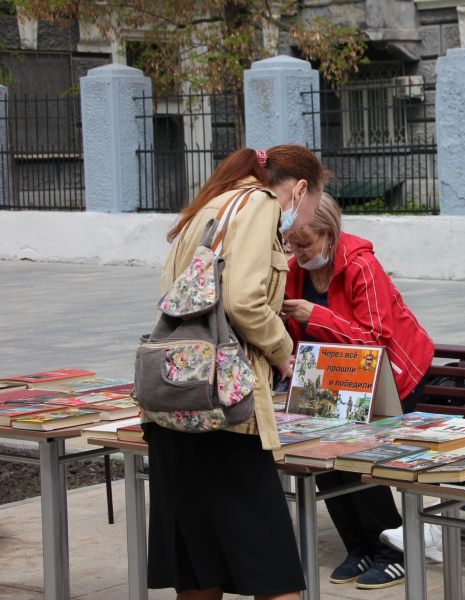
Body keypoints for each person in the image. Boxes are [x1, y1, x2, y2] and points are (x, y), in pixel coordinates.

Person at [144, 145, 327, 600]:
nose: (302, 222)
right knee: (274, 571)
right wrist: (283, 350)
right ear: (300, 189)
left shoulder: (212, 204)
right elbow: (243, 301)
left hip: (178, 399)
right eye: (312, 207)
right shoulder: (260, 204)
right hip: (226, 409)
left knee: (199, 569)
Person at [280, 193, 435, 590]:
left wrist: (316, 315)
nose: (297, 253)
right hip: (333, 377)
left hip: (392, 374)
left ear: (329, 235)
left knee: (358, 454)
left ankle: (393, 548)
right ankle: (358, 546)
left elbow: (375, 340)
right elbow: (296, 338)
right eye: (291, 244)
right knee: (319, 456)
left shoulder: (362, 266)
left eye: (304, 244)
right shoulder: (294, 271)